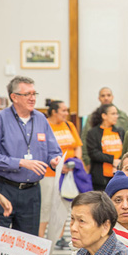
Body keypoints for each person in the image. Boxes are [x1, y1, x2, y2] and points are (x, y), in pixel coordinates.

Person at [0, 76, 62, 236]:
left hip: (32, 192)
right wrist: (20, 163)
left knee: (28, 243)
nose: (33, 98)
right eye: (27, 94)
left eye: (34, 93)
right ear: (14, 97)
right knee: (0, 242)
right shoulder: (0, 119)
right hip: (4, 189)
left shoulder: (41, 119)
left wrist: (55, 160)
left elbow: (53, 151)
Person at [39, 100, 83, 240]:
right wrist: (58, 165)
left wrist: (75, 162)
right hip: (49, 174)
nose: (66, 113)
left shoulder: (69, 126)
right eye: (63, 110)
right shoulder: (44, 126)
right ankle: (40, 237)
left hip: (68, 174)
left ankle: (59, 238)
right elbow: (40, 150)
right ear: (54, 112)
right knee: (46, 206)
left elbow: (77, 146)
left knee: (64, 205)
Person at [81, 87, 128, 168]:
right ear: (99, 98)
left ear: (112, 97)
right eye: (103, 96)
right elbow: (85, 139)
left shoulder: (122, 116)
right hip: (99, 163)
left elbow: (126, 140)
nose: (106, 98)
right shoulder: (92, 117)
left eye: (108, 95)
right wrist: (87, 161)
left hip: (120, 162)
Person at [86, 104, 124, 191]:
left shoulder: (120, 131)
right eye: (113, 114)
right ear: (104, 116)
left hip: (117, 174)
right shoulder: (93, 132)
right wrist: (112, 160)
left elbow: (125, 149)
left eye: (117, 114)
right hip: (100, 177)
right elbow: (93, 153)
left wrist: (120, 162)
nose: (116, 116)